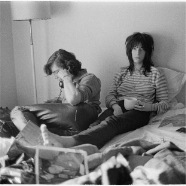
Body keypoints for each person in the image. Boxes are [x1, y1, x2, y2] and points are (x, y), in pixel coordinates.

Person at [11, 32, 169, 150]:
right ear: (129, 51)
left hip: (141, 109)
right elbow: (110, 95)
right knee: (95, 124)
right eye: (134, 49)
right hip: (119, 105)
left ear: (147, 52)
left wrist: (149, 107)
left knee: (112, 123)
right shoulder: (122, 73)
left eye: (142, 49)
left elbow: (164, 104)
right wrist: (114, 106)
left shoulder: (156, 73)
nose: (138, 53)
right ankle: (77, 147)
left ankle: (71, 143)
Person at [10, 49, 101, 136]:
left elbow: (74, 100)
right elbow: (67, 101)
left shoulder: (90, 78)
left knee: (18, 110)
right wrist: (54, 102)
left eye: (56, 72)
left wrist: (66, 77)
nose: (55, 76)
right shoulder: (69, 83)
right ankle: (41, 141)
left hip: (82, 115)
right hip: (74, 128)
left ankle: (36, 140)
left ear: (69, 67)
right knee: (16, 126)